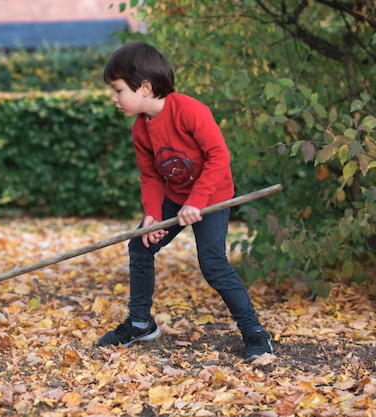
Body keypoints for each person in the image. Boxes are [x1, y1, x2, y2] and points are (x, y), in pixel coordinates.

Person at [98, 41, 273, 362]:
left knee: (213, 265)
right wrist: (151, 215)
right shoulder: (141, 130)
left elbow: (218, 156)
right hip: (177, 198)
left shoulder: (189, 110)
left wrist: (197, 202)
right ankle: (140, 323)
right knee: (140, 245)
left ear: (145, 88)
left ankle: (255, 334)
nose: (114, 98)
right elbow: (151, 177)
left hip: (213, 198)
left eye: (118, 90)